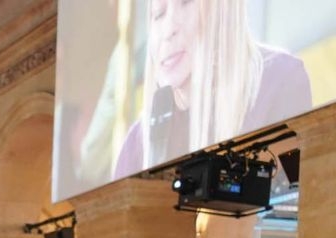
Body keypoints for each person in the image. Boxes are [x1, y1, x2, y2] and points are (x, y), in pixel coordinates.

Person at [114, 0, 312, 177]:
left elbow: (286, 206)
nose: (168, 30)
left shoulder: (278, 82)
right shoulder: (137, 144)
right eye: (158, 14)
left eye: (186, 2)